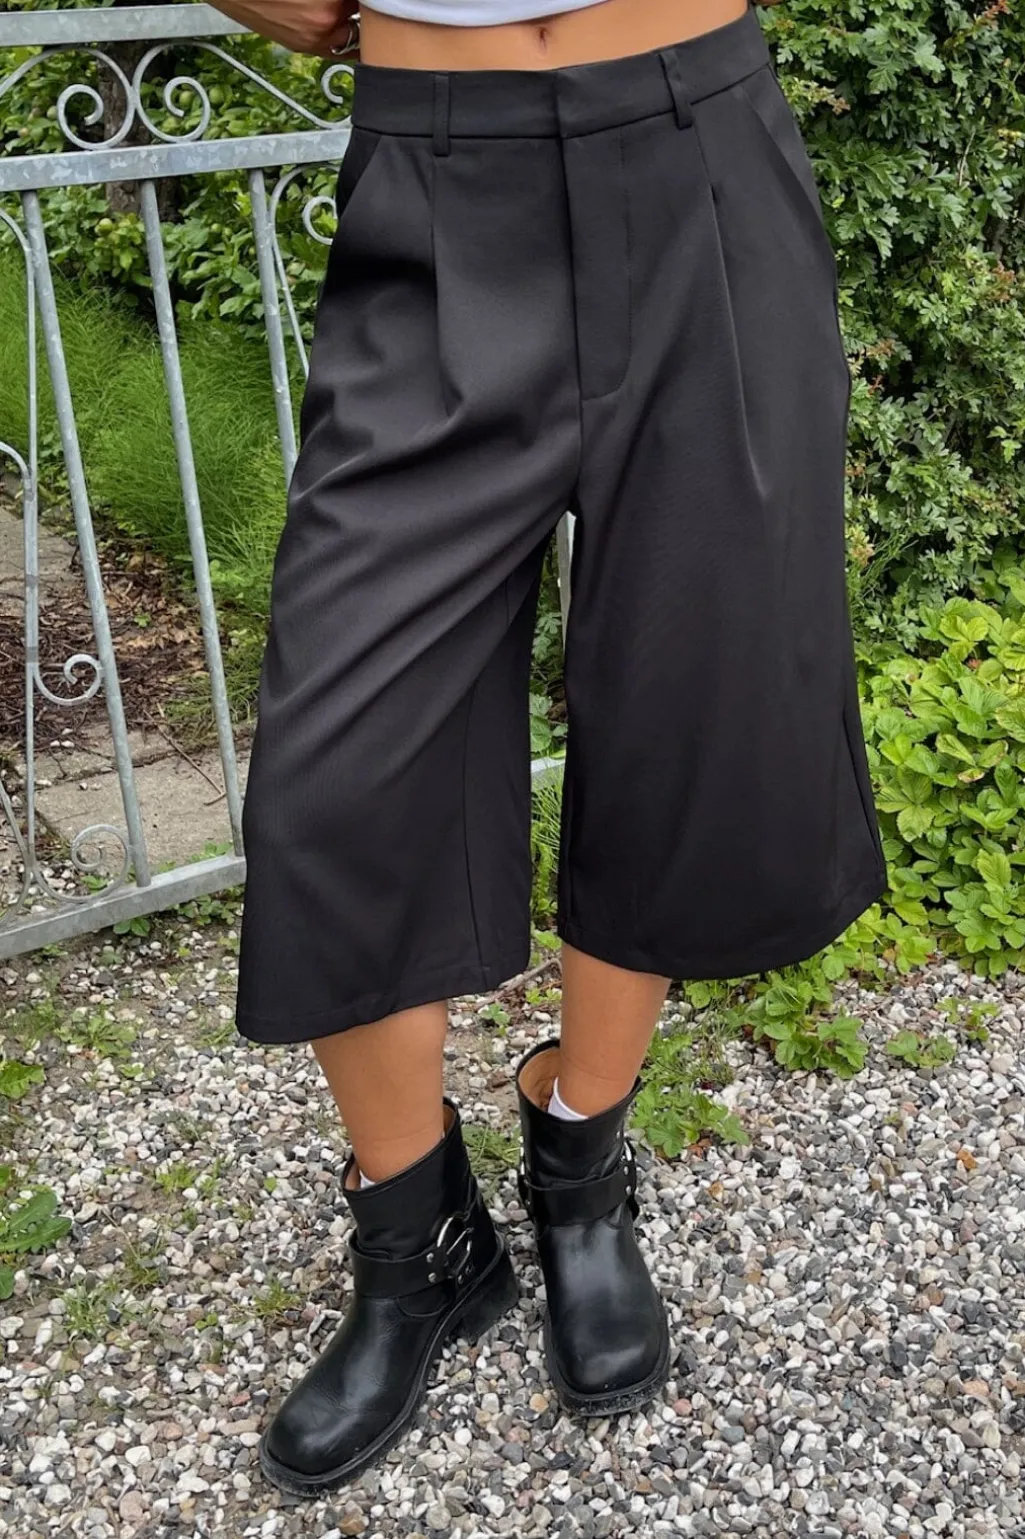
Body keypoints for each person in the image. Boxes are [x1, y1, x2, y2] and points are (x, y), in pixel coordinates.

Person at [209, 0, 888, 1498]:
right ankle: (418, 1242)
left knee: (686, 700)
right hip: (437, 176)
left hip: (700, 156)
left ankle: (581, 1162)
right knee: (336, 763)